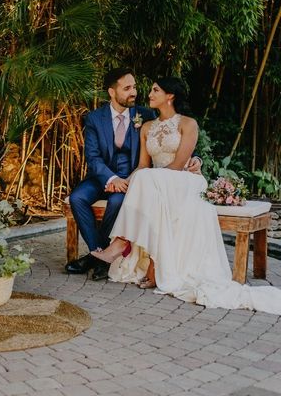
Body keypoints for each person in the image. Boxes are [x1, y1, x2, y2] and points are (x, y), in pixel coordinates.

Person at [92, 77, 281, 314]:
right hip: (155, 182)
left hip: (184, 181)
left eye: (155, 90)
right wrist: (129, 181)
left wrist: (147, 180)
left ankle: (121, 243)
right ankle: (150, 260)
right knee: (143, 178)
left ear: (170, 96)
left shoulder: (188, 124)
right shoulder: (147, 127)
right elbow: (142, 165)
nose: (149, 93)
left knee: (147, 180)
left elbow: (179, 164)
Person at [66, 69, 157, 280]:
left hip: (131, 180)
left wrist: (195, 159)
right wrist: (111, 179)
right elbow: (93, 156)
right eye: (127, 88)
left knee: (117, 202)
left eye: (134, 87)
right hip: (101, 177)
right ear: (111, 92)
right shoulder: (95, 118)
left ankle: (95, 259)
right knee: (77, 198)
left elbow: (173, 132)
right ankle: (99, 255)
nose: (133, 92)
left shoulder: (146, 115)